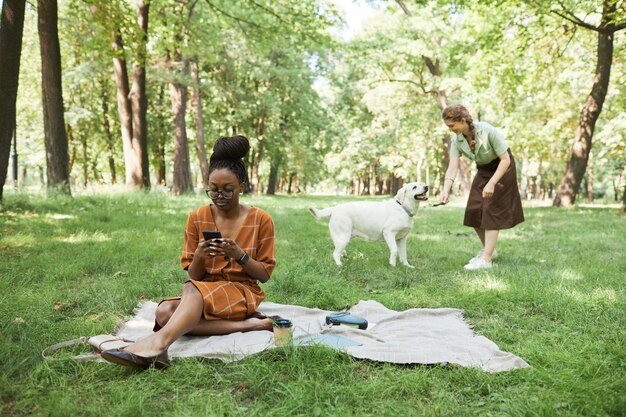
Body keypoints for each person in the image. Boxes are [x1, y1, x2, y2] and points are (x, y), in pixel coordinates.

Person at [102, 135, 276, 368]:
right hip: (206, 289)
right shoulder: (196, 218)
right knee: (164, 312)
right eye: (213, 190)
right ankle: (252, 325)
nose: (219, 196)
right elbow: (196, 275)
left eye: (227, 190)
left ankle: (158, 344)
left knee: (189, 291)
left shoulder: (261, 219)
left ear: (242, 187)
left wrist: (240, 255)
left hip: (243, 291)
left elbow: (263, 275)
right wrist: (200, 257)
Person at [439, 104, 524, 270]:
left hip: (503, 167)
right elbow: (452, 167)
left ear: (462, 120)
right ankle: (490, 251)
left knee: (491, 209)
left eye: (452, 125)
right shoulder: (457, 141)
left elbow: (505, 159)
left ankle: (486, 260)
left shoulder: (487, 130)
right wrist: (445, 190)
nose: (450, 130)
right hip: (484, 169)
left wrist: (492, 183)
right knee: (474, 210)